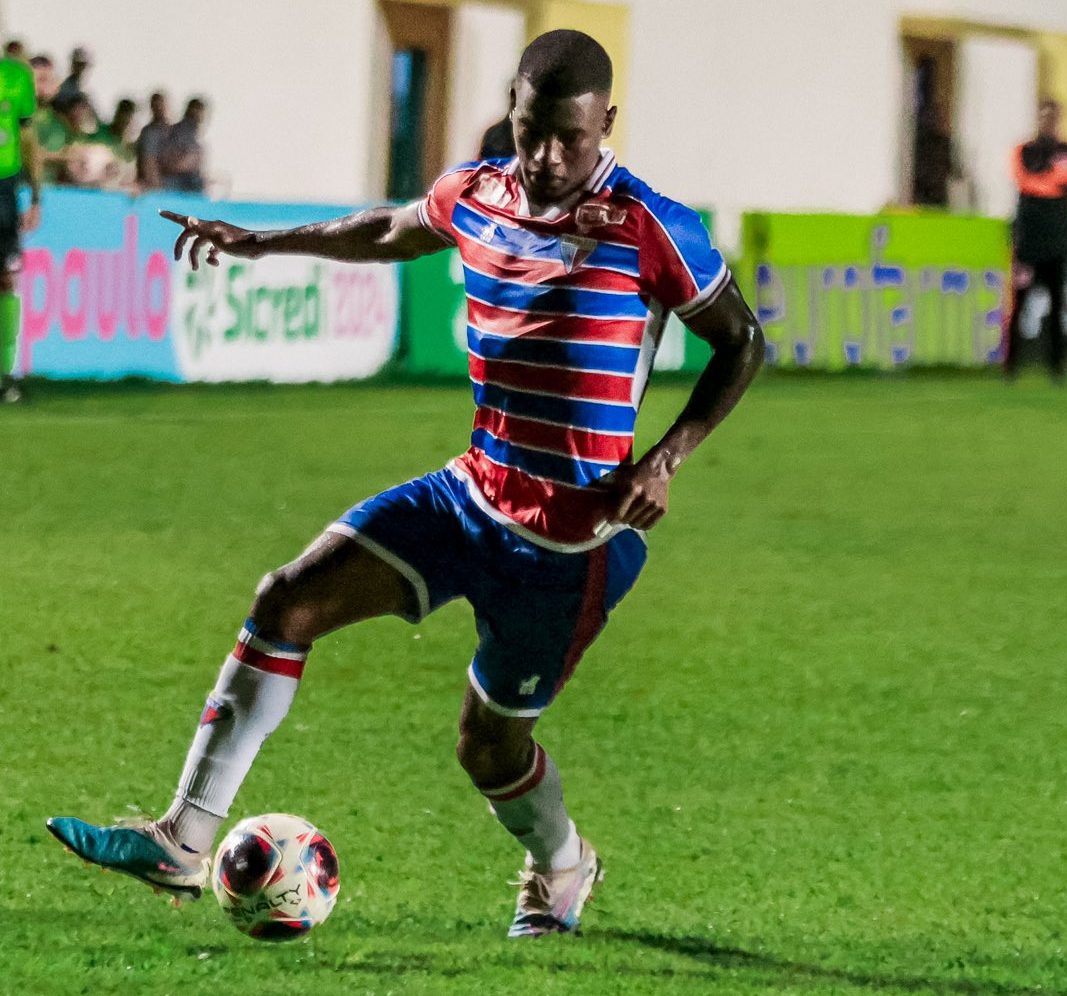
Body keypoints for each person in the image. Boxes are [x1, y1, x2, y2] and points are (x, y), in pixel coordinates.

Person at [47, 29, 765, 939]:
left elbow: (743, 341)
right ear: (512, 109)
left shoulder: (649, 224)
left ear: (606, 125)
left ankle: (562, 864)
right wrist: (261, 243)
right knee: (286, 602)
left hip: (570, 546)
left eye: (569, 141)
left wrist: (665, 459)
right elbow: (390, 229)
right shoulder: (481, 189)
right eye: (530, 131)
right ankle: (182, 842)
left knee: (488, 747)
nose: (545, 158)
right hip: (468, 497)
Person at [1002, 98, 1067, 381]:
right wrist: (1055, 181)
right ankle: (1011, 367)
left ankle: (1057, 367)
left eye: (1052, 116)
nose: (1047, 121)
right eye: (1043, 115)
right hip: (1028, 242)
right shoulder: (1023, 150)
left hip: (1058, 242)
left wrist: (1045, 181)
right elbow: (1023, 178)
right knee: (1019, 306)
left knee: (1057, 307)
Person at [0, 46, 40, 403]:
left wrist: (36, 197)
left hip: (4, 188)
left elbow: (27, 139)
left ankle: (4, 374)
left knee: (6, 279)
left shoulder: (15, 76)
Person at [159, 96, 207, 192]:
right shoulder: (177, 132)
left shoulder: (196, 137)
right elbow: (167, 160)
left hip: (191, 181)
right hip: (175, 181)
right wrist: (184, 163)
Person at [135, 90, 170, 189]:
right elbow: (148, 161)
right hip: (154, 188)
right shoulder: (149, 133)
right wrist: (155, 187)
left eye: (162, 105)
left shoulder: (172, 131)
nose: (160, 108)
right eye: (156, 105)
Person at [54, 46, 95, 118]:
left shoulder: (87, 91)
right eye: (78, 64)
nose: (81, 69)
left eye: (83, 65)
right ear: (72, 64)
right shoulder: (63, 89)